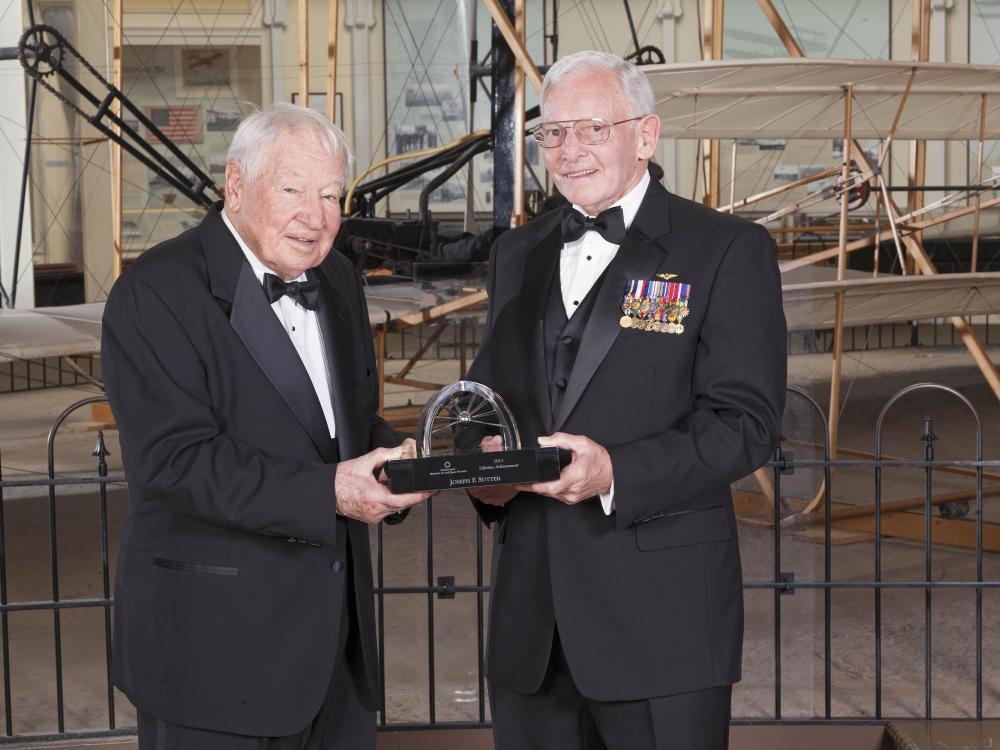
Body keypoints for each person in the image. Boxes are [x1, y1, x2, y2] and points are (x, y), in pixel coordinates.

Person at [466, 51, 787, 749]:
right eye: (552, 133)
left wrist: (615, 472)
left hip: (663, 625)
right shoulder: (516, 253)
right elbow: (485, 399)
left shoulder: (726, 251)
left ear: (645, 135)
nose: (568, 151)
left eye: (591, 129)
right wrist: (480, 473)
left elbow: (747, 425)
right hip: (532, 630)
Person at [102, 103, 431, 749]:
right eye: (292, 190)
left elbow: (342, 425)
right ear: (237, 183)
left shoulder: (338, 278)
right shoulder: (156, 291)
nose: (316, 216)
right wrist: (331, 491)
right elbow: (175, 462)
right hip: (212, 654)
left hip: (336, 650)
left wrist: (409, 458)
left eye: (332, 195)